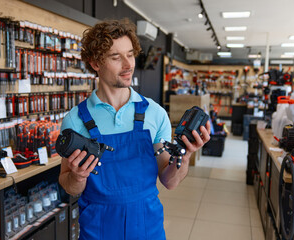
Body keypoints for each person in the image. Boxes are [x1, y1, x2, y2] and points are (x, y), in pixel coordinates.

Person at [58, 18, 210, 240]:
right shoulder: (75, 120)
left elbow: (170, 181)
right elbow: (68, 185)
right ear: (95, 63)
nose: (128, 64)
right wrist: (78, 177)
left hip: (147, 227)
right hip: (98, 229)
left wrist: (184, 157)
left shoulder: (155, 113)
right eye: (116, 57)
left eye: (130, 54)